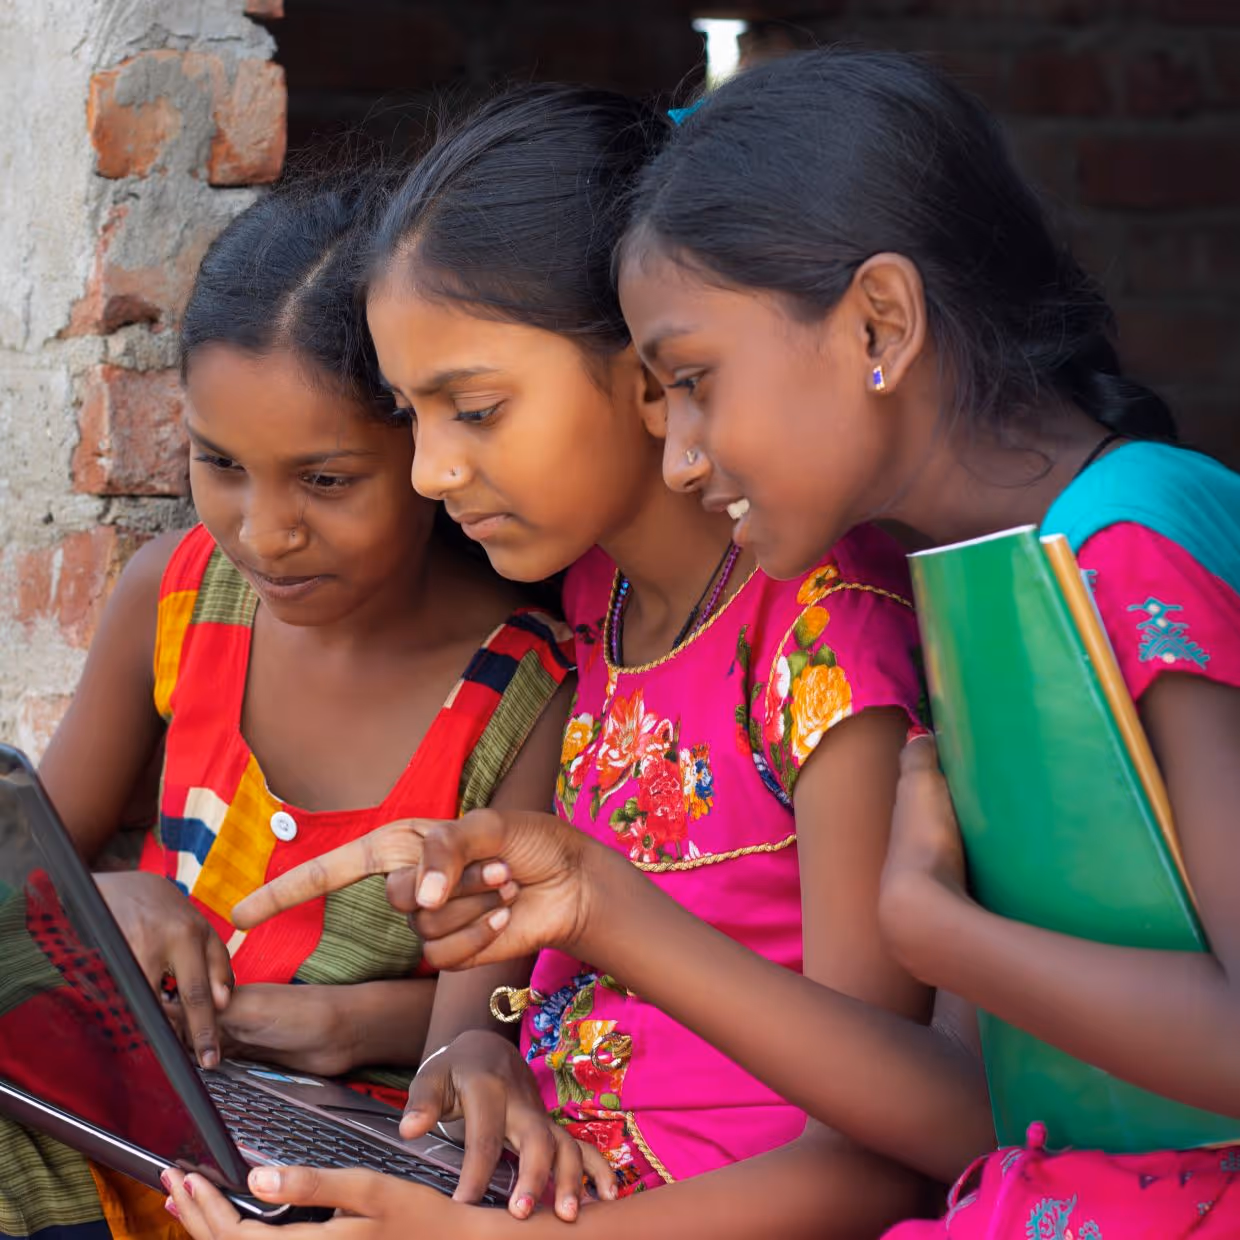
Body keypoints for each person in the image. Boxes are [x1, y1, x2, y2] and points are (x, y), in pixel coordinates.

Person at [392, 46, 1240, 1237]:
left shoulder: (1132, 541)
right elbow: (988, 1109)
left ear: (879, 322)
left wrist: (940, 934)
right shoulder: (975, 582)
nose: (680, 453)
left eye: (693, 379)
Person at [163, 84, 969, 1238]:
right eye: (411, 416)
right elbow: (529, 969)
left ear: (645, 369)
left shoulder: (824, 635)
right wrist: (482, 1047)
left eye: (475, 410)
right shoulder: (596, 599)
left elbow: (877, 1159)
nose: (431, 471)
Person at [2, 173, 573, 1240]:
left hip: (329, 1174)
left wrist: (354, 1025)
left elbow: (485, 1019)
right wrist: (106, 903)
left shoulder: (520, 690)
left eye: (325, 480)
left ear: (425, 448)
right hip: (132, 1125)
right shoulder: (174, 599)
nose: (264, 532)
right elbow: (15, 887)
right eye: (220, 465)